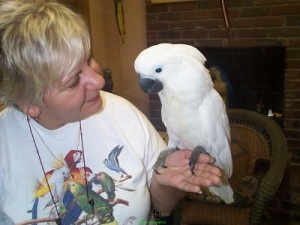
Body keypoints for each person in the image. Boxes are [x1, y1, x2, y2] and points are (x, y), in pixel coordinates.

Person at [0, 1, 222, 224]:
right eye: (73, 81)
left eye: (88, 59)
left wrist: (165, 184)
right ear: (30, 103)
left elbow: (160, 209)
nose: (99, 80)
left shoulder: (124, 113)